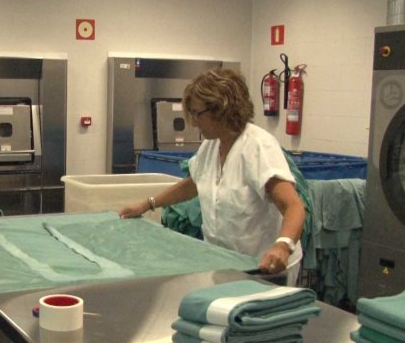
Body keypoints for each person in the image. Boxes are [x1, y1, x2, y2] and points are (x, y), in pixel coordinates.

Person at [120, 67, 305, 281]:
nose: (193, 122)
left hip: (264, 266)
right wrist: (147, 204)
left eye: (197, 113)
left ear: (221, 110)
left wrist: (283, 246)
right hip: (225, 261)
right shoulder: (211, 146)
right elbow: (194, 183)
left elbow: (293, 206)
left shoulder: (258, 147)